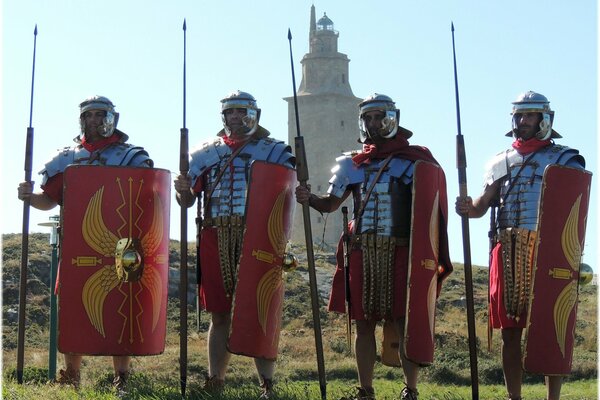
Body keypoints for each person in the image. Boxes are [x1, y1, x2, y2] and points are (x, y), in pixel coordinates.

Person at [296, 94, 453, 400]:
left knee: (403, 319)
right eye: (367, 118)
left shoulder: (417, 162)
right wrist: (309, 198)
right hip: (362, 251)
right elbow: (331, 204)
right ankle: (365, 389)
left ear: (392, 118)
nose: (372, 123)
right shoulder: (352, 164)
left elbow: (429, 212)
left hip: (400, 250)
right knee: (363, 323)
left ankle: (411, 389)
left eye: (377, 117)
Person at [455, 91, 586, 400]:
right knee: (510, 331)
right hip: (508, 250)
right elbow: (481, 206)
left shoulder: (565, 159)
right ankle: (515, 397)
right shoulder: (500, 161)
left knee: (551, 327)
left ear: (544, 120)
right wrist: (467, 206)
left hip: (548, 251)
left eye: (529, 116)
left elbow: (571, 205)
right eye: (518, 116)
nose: (523, 121)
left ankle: (552, 397)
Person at [17, 95, 153, 391]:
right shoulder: (66, 158)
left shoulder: (131, 157)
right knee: (70, 309)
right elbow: (49, 201)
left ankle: (122, 377)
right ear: (82, 119)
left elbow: (146, 199)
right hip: (76, 246)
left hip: (120, 246)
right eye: (89, 115)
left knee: (121, 308)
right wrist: (29, 197)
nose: (94, 120)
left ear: (112, 118)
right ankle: (72, 376)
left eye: (99, 114)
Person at [174, 90, 295, 399]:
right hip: (214, 236)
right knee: (219, 313)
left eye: (242, 112)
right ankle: (216, 379)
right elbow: (187, 202)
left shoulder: (275, 152)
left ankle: (266, 384)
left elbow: (288, 193)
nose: (236, 117)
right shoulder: (205, 154)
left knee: (260, 309)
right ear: (223, 117)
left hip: (258, 238)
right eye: (230, 113)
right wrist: (182, 189)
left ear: (254, 115)